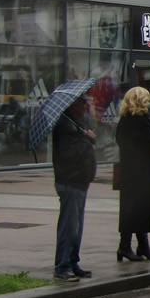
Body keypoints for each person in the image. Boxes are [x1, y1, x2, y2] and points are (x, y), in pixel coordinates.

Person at [115, 85, 150, 262]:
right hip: (141, 171)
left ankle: (136, 245)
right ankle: (128, 246)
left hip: (130, 170)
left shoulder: (124, 120)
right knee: (139, 209)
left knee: (133, 209)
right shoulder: (140, 121)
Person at [51, 93, 97, 281]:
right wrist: (87, 139)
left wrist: (87, 136)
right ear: (73, 105)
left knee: (77, 226)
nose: (85, 107)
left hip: (80, 180)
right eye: (81, 104)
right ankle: (62, 266)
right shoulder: (65, 124)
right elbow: (71, 153)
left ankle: (73, 261)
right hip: (69, 180)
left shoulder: (78, 122)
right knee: (69, 226)